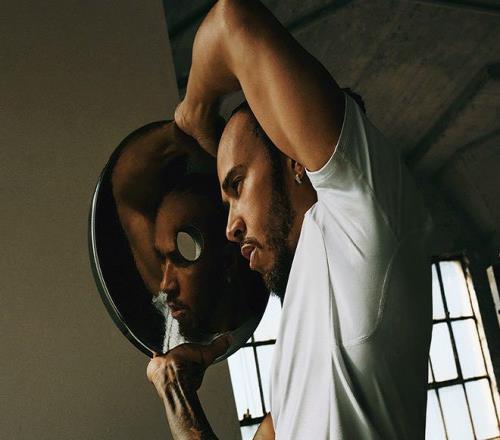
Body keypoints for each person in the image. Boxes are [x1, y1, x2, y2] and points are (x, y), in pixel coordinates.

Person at [148, 1, 433, 439]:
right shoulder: (305, 322)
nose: (230, 228)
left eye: (237, 185)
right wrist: (177, 393)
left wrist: (195, 112)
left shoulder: (360, 212)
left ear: (296, 160)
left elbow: (232, 20)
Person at [112, 121, 265, 352]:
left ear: (226, 260)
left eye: (182, 259)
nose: (165, 285)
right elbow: (125, 187)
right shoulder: (176, 305)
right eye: (162, 258)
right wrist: (181, 130)